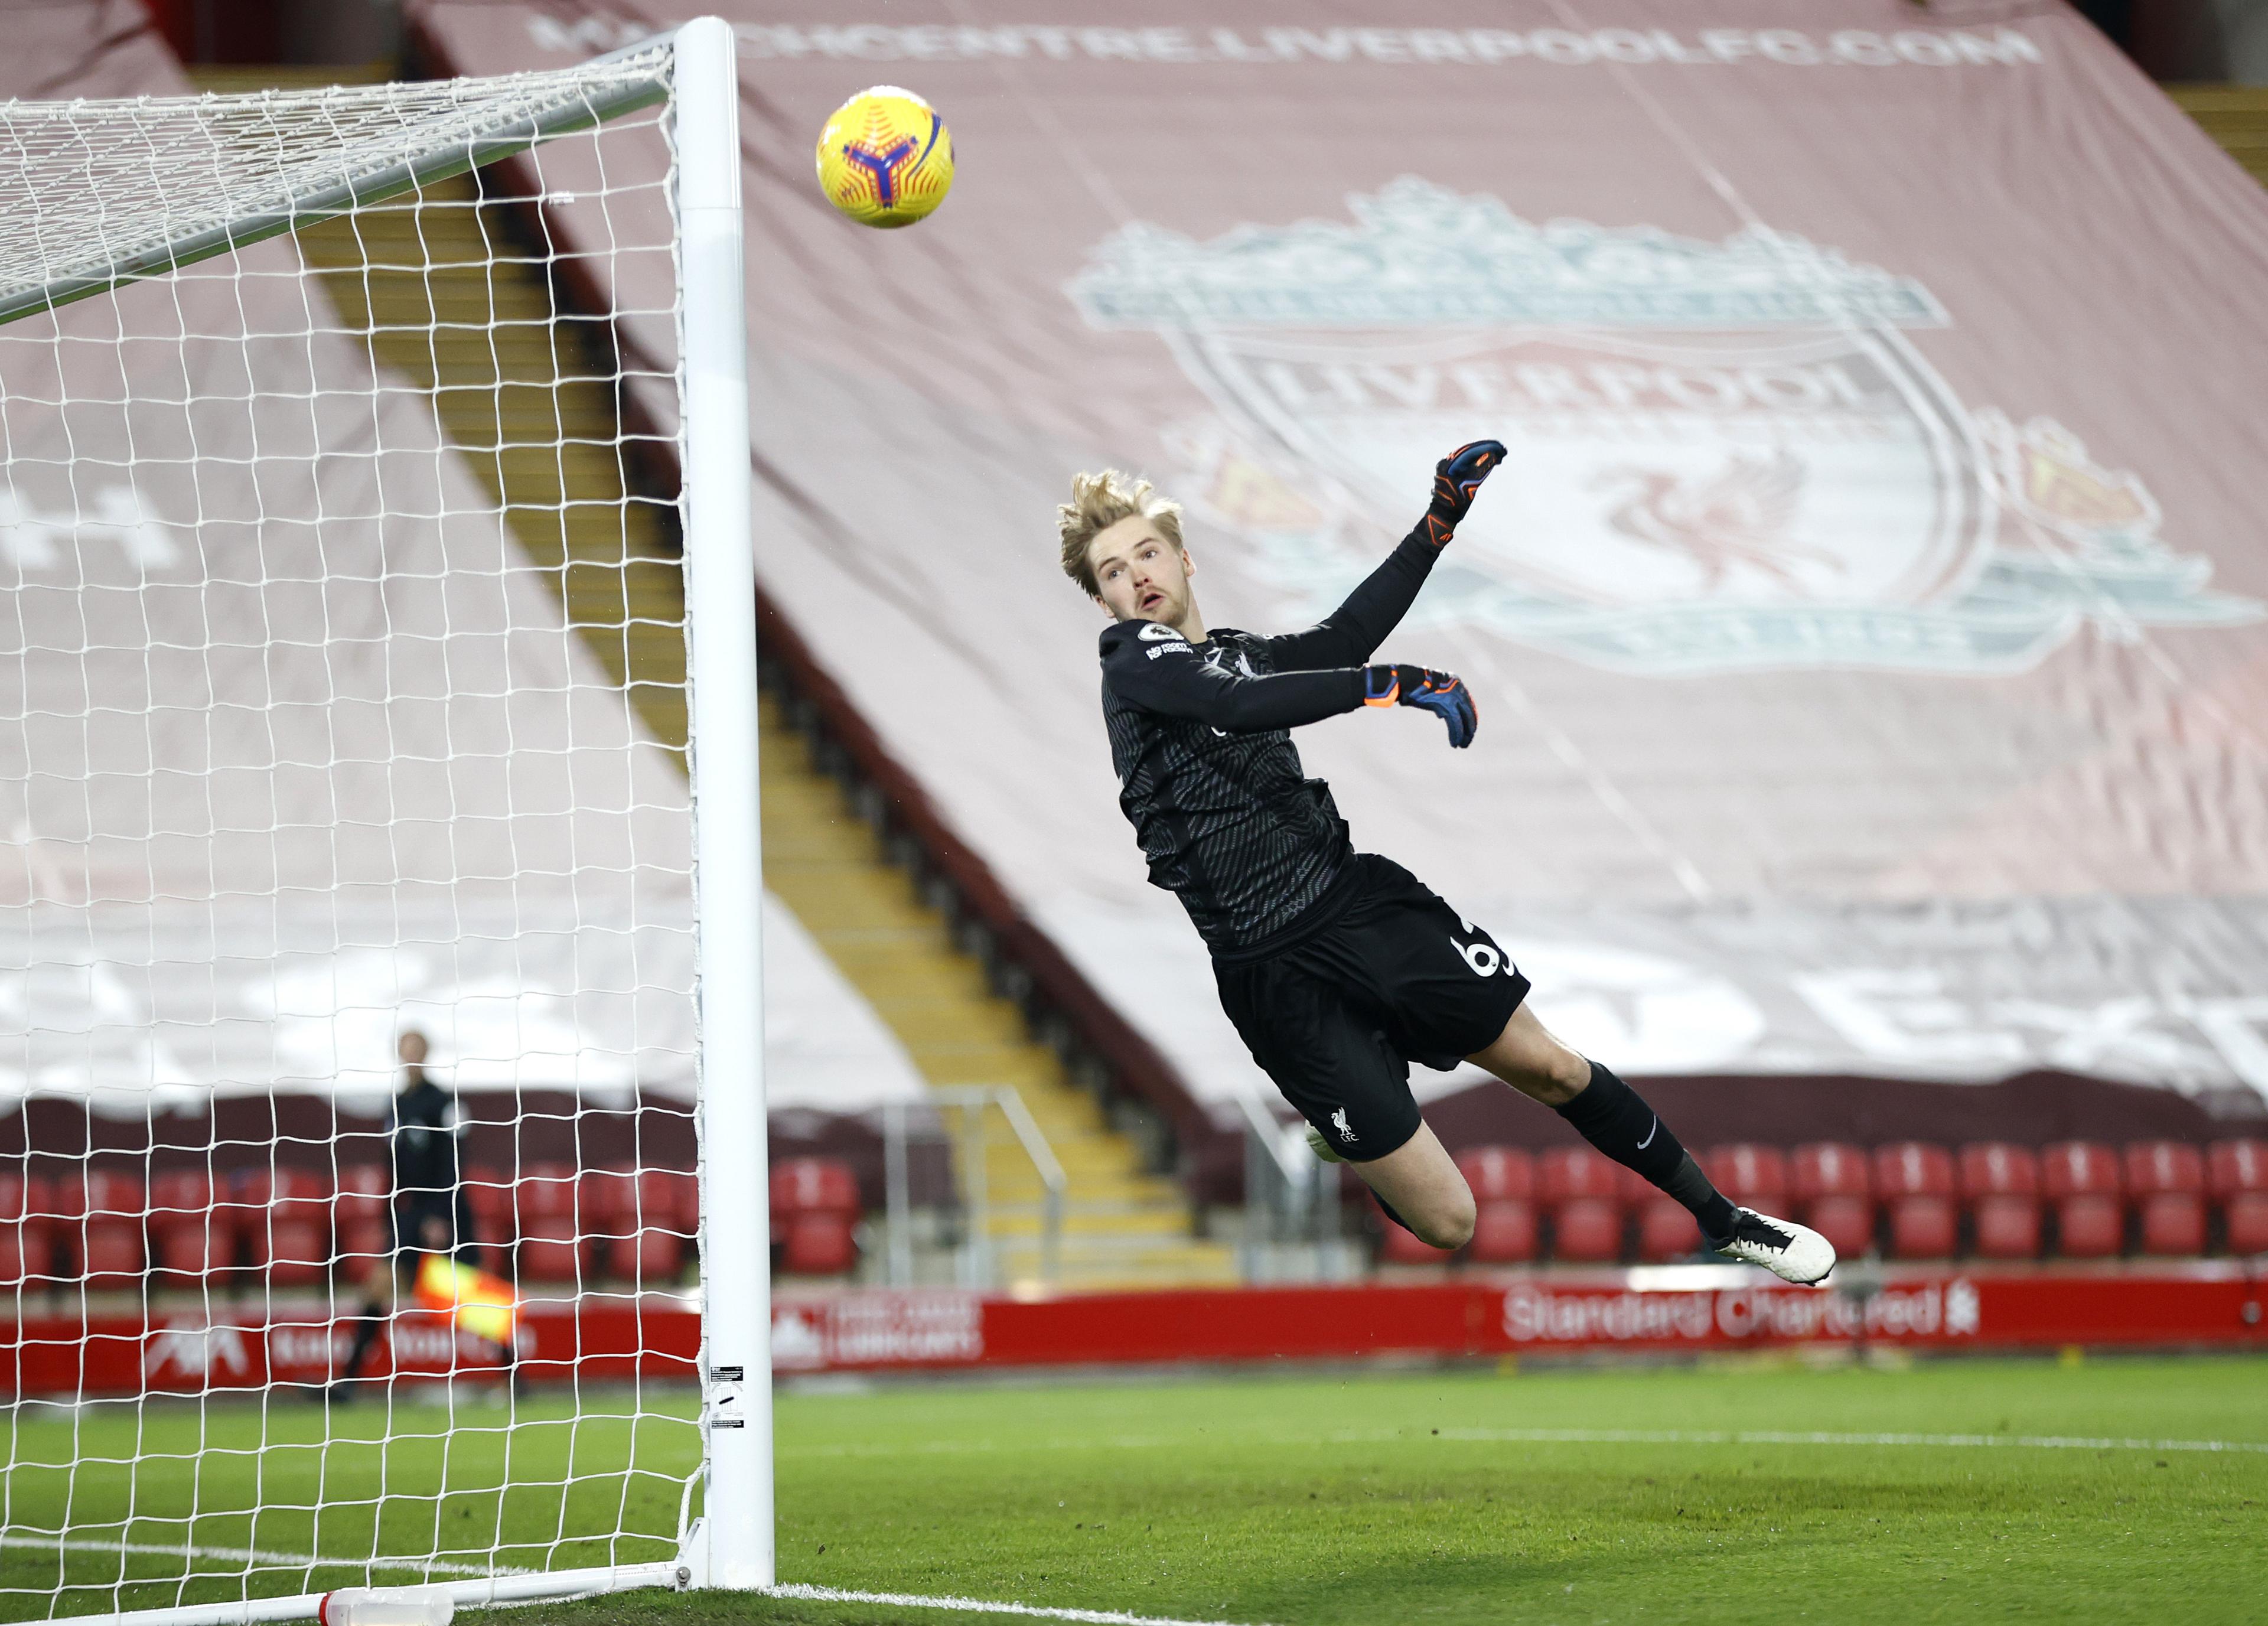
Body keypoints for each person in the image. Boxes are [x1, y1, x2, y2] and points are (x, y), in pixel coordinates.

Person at [1061, 444, 1832, 1283]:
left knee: (1553, 1066)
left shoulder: (1240, 651)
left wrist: (1437, 525)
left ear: (1183, 557)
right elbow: (1232, 705)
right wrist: (1384, 685)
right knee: (1450, 1223)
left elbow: (1341, 636)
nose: (1135, 576)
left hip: (1359, 906)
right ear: (1103, 601)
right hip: (1270, 975)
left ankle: (1726, 1221)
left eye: (1146, 552)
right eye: (1112, 571)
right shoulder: (1130, 664)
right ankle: (1357, 1093)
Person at [331, 1030, 518, 1398]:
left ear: (426, 1053)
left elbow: (453, 1161)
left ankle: (515, 1380)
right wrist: (390, 1214)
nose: (411, 1055)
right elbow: (394, 1166)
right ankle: (348, 1382)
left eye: (417, 1049)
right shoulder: (396, 1104)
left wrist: (439, 1214)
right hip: (409, 1214)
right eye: (405, 1049)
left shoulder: (443, 1101)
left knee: (478, 1297)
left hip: (446, 1212)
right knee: (377, 1287)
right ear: (399, 1054)